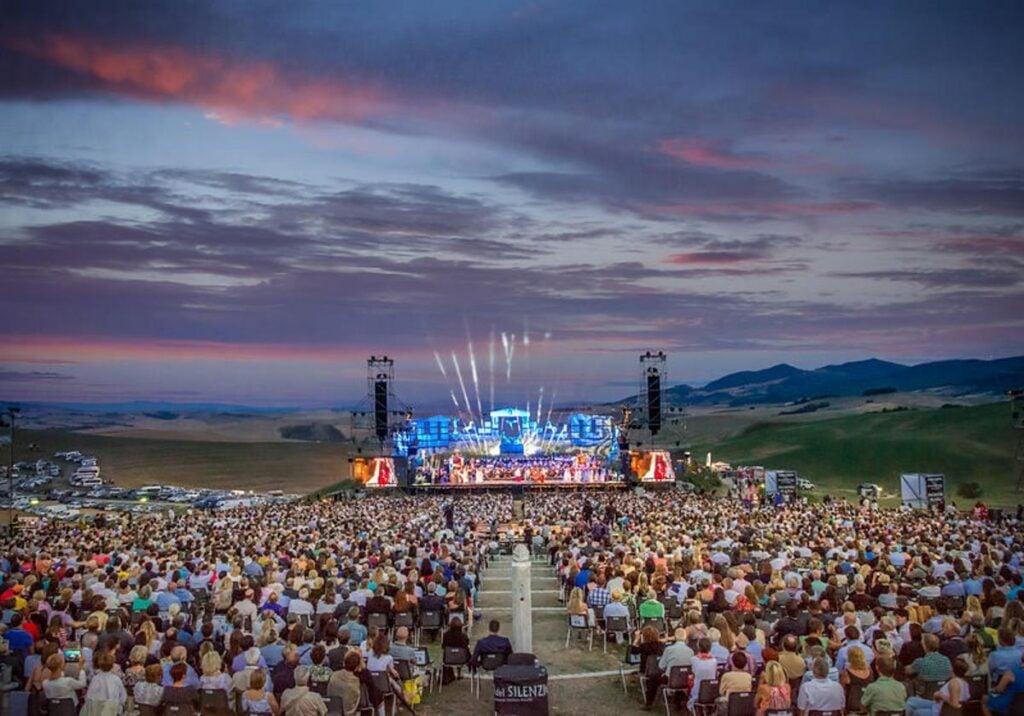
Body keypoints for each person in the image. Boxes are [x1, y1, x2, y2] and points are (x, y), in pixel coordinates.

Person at [83, 649, 128, 714]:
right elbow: (123, 697)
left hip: (98, 711)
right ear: (112, 665)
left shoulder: (95, 679)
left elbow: (89, 697)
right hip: (113, 711)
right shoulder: (116, 679)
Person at [632, 625, 664, 710]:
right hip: (659, 669)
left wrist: (636, 638)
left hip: (646, 669)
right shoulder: (661, 645)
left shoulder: (644, 646)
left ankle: (648, 700)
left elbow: (633, 651)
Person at [718, 651, 754, 715]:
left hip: (729, 704)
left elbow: (721, 692)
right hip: (745, 704)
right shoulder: (748, 676)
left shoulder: (726, 675)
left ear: (733, 662)